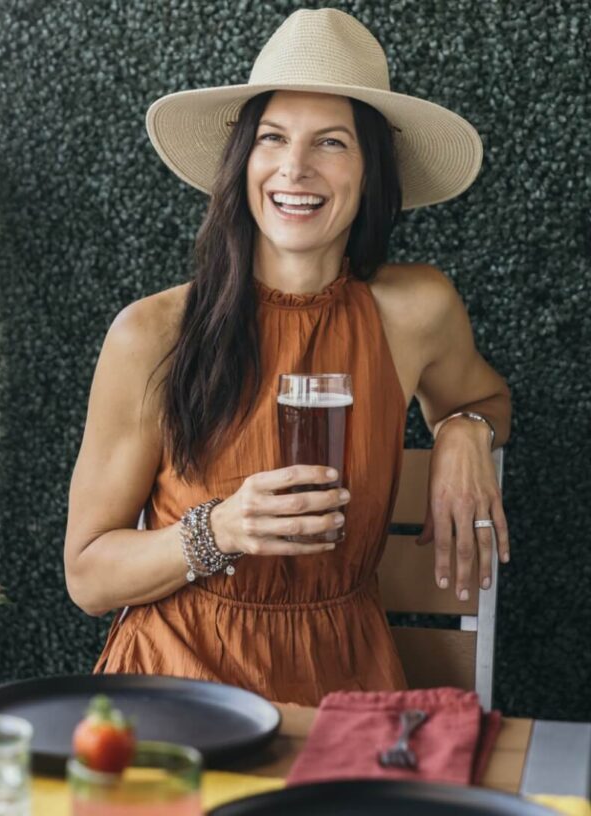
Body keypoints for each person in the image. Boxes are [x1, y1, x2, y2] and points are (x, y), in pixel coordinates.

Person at [63, 8, 511, 705]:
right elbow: (89, 576)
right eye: (273, 138)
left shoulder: (417, 309)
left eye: (330, 143)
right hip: (174, 689)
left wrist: (463, 429)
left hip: (343, 685)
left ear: (370, 172)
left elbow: (484, 400)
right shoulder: (151, 333)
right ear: (245, 160)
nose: (294, 168)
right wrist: (219, 530)